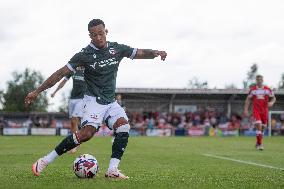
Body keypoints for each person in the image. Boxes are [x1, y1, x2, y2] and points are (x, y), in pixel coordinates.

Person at [25, 19, 167, 179]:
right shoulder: (84, 55)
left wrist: (155, 53)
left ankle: (113, 170)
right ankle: (44, 161)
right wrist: (37, 91)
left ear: (106, 31)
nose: (98, 38)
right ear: (90, 36)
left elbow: (138, 52)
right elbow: (60, 73)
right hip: (93, 101)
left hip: (111, 102)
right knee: (86, 134)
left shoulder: (117, 49)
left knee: (123, 127)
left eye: (100, 33)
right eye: (94, 35)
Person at [51, 66, 86, 153]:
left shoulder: (88, 71)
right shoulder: (73, 71)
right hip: (72, 99)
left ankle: (76, 143)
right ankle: (77, 139)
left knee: (74, 119)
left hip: (82, 99)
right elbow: (63, 82)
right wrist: (55, 92)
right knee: (72, 123)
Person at [244, 75, 276, 150]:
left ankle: (258, 143)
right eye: (258, 79)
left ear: (262, 80)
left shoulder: (267, 89)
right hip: (256, 110)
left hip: (264, 111)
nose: (259, 80)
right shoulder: (253, 90)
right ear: (256, 80)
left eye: (260, 79)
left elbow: (274, 98)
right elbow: (248, 99)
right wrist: (246, 109)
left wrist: (272, 102)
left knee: (263, 128)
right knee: (259, 125)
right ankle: (260, 145)